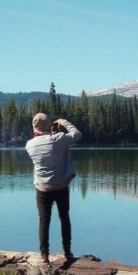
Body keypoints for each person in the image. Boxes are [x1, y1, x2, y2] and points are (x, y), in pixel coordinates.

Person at [25, 113, 82, 264]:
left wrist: (53, 134)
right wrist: (63, 122)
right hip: (60, 186)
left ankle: (44, 255)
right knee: (64, 217)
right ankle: (67, 252)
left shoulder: (29, 145)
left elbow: (47, 150)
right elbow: (77, 134)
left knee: (44, 220)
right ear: (50, 124)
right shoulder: (59, 138)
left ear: (34, 126)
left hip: (42, 188)